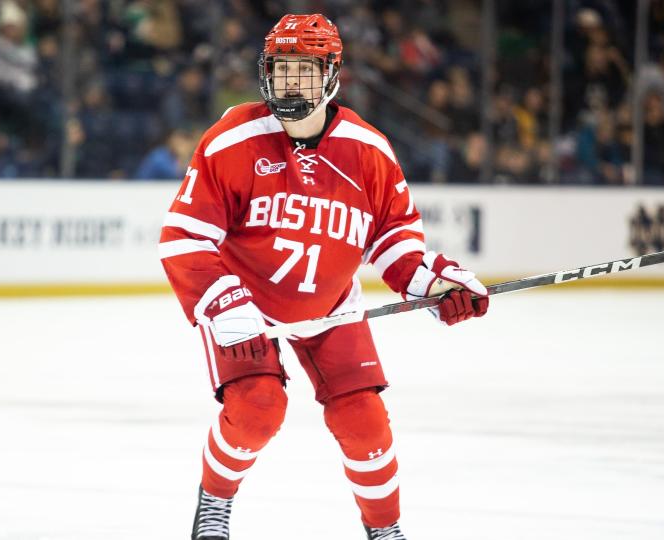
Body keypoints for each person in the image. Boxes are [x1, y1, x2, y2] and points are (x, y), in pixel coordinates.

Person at [158, 14, 489, 540]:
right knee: (257, 409)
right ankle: (215, 504)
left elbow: (393, 237)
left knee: (366, 425)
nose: (289, 82)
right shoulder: (232, 140)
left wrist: (434, 283)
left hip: (333, 306)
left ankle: (385, 530)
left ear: (332, 74)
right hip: (247, 310)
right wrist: (224, 303)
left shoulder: (369, 150)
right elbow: (184, 238)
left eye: (304, 70)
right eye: (280, 68)